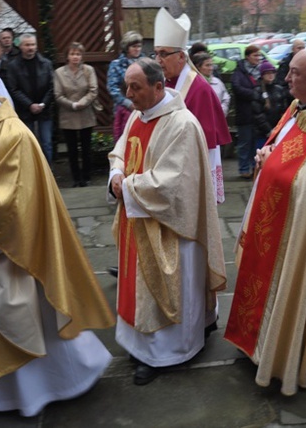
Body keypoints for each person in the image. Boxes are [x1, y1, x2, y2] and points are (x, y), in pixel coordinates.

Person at [0, 52, 114, 416]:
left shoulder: (13, 136)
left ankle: (51, 387)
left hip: (12, 254)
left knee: (28, 320)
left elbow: (15, 205)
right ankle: (4, 395)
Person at [225, 49, 306, 396]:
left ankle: (283, 351)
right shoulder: (300, 107)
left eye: (294, 73)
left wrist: (270, 164)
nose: (286, 78)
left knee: (289, 286)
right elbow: (284, 150)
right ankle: (259, 344)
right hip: (276, 222)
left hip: (297, 234)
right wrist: (267, 156)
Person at [108, 58, 226, 386]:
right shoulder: (137, 115)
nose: (129, 94)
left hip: (171, 228)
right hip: (137, 220)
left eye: (136, 87)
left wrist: (126, 187)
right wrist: (117, 173)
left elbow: (174, 183)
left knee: (169, 289)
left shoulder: (182, 124)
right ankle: (140, 345)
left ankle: (166, 353)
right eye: (127, 86)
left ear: (159, 86)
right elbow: (120, 152)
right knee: (137, 288)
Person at [153, 8, 230, 200]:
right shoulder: (164, 81)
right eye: (156, 54)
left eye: (163, 54)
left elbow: (204, 141)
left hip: (191, 169)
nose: (158, 60)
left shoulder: (199, 89)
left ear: (181, 56)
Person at [54, 42, 98, 187]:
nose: (75, 57)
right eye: (72, 54)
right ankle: (75, 178)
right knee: (71, 150)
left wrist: (82, 103)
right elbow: (57, 94)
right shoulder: (59, 73)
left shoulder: (88, 70)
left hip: (85, 113)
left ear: (82, 56)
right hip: (68, 114)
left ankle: (86, 177)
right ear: (67, 56)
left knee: (86, 148)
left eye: (78, 54)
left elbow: (93, 90)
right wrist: (72, 104)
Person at [6, 33, 54, 163]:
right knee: (28, 144)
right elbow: (13, 89)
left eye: (33, 44)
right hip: (25, 112)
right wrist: (29, 105)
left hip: (44, 111)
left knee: (47, 144)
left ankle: (48, 174)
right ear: (20, 46)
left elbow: (52, 86)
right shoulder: (13, 66)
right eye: (27, 45)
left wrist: (43, 104)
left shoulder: (46, 64)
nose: (30, 48)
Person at [231, 44, 263, 179]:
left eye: (259, 55)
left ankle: (253, 167)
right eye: (255, 55)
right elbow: (237, 88)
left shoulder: (260, 71)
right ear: (247, 57)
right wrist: (254, 94)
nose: (258, 58)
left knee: (255, 143)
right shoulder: (239, 72)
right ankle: (244, 168)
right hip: (245, 113)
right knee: (245, 142)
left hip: (259, 114)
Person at [108, 31, 144, 141]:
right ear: (126, 47)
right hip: (124, 110)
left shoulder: (146, 63)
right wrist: (128, 104)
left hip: (143, 109)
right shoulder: (116, 64)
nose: (137, 49)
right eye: (134, 46)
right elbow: (113, 89)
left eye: (139, 46)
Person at [192, 51, 230, 116]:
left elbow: (226, 98)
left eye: (211, 65)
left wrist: (221, 110)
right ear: (198, 67)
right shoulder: (193, 84)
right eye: (207, 65)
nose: (211, 68)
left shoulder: (217, 82)